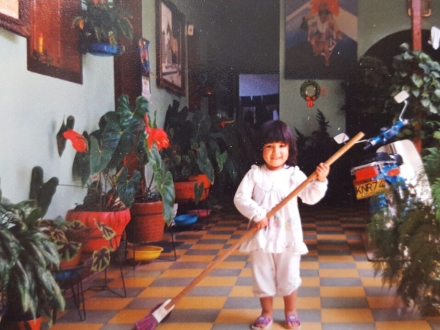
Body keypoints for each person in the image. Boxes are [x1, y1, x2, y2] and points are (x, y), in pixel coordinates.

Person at [234, 120, 330, 329]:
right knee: (262, 275)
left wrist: (320, 181)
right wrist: (258, 214)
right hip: (261, 236)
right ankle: (266, 312)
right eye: (269, 146)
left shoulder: (294, 175)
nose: (275, 152)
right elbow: (240, 198)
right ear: (261, 149)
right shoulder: (254, 174)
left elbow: (310, 197)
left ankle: (290, 311)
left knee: (289, 274)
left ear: (289, 148)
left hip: (288, 236)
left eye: (281, 146)